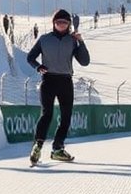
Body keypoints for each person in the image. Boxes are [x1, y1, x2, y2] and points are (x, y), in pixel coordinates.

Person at [27, 9, 91, 163]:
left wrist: (80, 42)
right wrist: (38, 67)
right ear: (53, 23)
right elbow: (30, 57)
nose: (61, 25)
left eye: (64, 22)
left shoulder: (72, 40)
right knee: (47, 114)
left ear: (69, 24)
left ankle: (57, 148)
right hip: (48, 80)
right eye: (58, 22)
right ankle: (38, 145)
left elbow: (84, 61)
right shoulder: (44, 39)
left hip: (65, 81)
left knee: (66, 117)